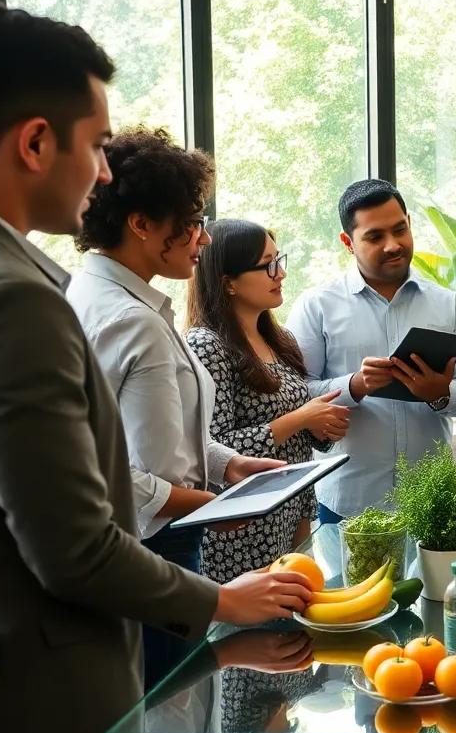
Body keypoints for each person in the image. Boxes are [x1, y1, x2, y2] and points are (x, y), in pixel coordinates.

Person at [0, 4, 311, 733]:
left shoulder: (35, 282)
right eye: (96, 146)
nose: (102, 174)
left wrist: (223, 468)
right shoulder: (14, 299)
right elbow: (77, 547)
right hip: (50, 678)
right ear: (35, 142)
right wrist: (228, 602)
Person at [65, 127, 298, 688]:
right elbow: (111, 471)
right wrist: (218, 503)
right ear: (141, 223)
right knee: (169, 699)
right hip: (153, 545)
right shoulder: (128, 319)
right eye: (191, 223)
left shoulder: (129, 302)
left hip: (167, 534)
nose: (203, 238)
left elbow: (151, 431)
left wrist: (227, 465)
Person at [286, 179, 456, 523]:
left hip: (433, 500)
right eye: (375, 237)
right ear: (348, 242)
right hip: (348, 501)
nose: (393, 245)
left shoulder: (448, 305)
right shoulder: (316, 306)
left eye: (400, 229)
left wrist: (440, 394)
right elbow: (296, 396)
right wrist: (356, 385)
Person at [186, 219, 352, 581]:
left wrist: (322, 427)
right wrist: (300, 419)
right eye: (268, 265)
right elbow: (213, 448)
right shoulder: (207, 345)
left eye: (280, 260)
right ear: (228, 282)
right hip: (242, 531)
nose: (281, 274)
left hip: (293, 515)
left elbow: (298, 434)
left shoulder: (282, 339)